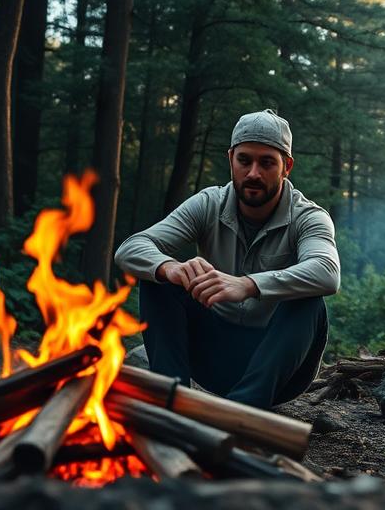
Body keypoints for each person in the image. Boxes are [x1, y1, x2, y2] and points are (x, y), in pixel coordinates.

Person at [114, 109, 340, 409]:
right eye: (245, 160)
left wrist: (248, 285)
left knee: (310, 301)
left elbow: (327, 272)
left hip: (280, 370)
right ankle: (172, 404)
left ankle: (244, 411)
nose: (254, 173)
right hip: (214, 358)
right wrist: (172, 268)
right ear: (230, 159)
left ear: (287, 166)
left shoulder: (309, 217)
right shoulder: (209, 203)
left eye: (267, 162)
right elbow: (130, 249)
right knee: (159, 281)